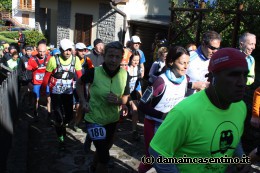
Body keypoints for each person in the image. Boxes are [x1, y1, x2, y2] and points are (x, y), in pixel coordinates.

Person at [149, 48, 249, 173]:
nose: (242, 83)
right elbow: (158, 153)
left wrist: (240, 159)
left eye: (244, 75)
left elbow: (235, 135)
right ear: (212, 77)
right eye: (233, 75)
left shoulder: (240, 107)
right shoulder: (185, 112)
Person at [76, 41, 130, 173]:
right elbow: (79, 83)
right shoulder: (94, 72)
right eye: (110, 56)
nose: (113, 60)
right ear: (104, 56)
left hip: (112, 119)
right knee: (105, 157)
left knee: (103, 149)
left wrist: (119, 101)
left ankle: (93, 167)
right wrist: (83, 101)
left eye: (117, 57)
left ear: (121, 58)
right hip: (94, 119)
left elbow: (125, 97)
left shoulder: (124, 75)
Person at [138, 46, 190, 173]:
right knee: (151, 157)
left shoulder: (185, 79)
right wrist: (162, 115)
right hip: (153, 124)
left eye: (188, 63)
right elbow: (142, 105)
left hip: (171, 125)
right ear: (171, 62)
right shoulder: (160, 81)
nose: (186, 66)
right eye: (182, 63)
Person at [41, 38, 82, 149]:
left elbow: (80, 77)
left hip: (68, 92)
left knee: (68, 116)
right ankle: (61, 139)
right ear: (60, 50)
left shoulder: (75, 60)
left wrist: (84, 90)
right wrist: (43, 93)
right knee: (59, 117)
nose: (68, 52)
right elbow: (46, 78)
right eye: (65, 50)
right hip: (56, 93)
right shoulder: (54, 60)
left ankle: (62, 125)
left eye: (70, 50)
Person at [186, 30, 221, 96]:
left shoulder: (216, 60)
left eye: (217, 48)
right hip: (185, 101)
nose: (215, 51)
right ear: (203, 44)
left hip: (203, 101)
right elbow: (171, 83)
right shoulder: (188, 57)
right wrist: (192, 85)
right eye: (212, 48)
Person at [72, 42, 94, 132]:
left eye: (84, 50)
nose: (83, 52)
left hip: (82, 84)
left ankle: (76, 123)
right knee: (72, 105)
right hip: (71, 84)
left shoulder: (87, 59)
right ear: (76, 51)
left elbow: (92, 71)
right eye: (81, 50)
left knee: (80, 104)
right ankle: (71, 120)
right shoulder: (72, 59)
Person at [27, 40, 51, 117]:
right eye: (40, 51)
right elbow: (28, 67)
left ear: (46, 51)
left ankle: (49, 114)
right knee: (36, 99)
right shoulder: (32, 59)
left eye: (44, 51)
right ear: (37, 50)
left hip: (46, 82)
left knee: (48, 98)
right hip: (37, 82)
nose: (42, 53)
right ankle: (35, 113)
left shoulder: (49, 58)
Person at [127, 50, 142, 141]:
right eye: (134, 60)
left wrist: (140, 93)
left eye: (137, 60)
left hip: (133, 92)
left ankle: (134, 130)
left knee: (135, 110)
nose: (136, 62)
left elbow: (138, 83)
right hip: (125, 91)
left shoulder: (138, 69)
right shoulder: (126, 68)